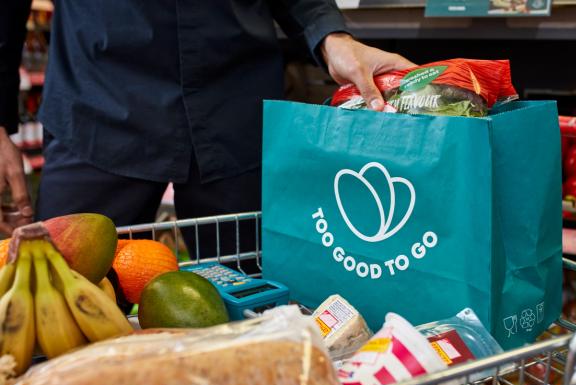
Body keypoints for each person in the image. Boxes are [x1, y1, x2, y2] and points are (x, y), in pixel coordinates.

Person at [0, 1, 414, 243]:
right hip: (96, 102)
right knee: (66, 311)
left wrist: (330, 37)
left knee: (252, 311)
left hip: (234, 103)